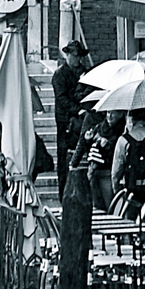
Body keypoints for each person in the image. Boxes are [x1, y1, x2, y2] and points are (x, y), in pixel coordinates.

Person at [51, 40, 90, 195]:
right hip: (65, 121)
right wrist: (77, 110)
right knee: (63, 157)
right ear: (67, 55)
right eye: (75, 56)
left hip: (80, 120)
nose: (77, 60)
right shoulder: (59, 75)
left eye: (79, 57)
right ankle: (64, 192)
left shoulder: (84, 72)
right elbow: (61, 98)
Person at [76, 110, 124, 210]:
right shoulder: (99, 127)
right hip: (95, 170)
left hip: (108, 171)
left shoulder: (122, 130)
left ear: (120, 114)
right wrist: (88, 139)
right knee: (96, 205)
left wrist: (107, 144)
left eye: (113, 113)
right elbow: (89, 145)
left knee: (110, 205)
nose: (109, 116)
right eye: (108, 113)